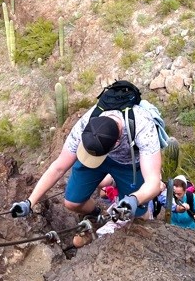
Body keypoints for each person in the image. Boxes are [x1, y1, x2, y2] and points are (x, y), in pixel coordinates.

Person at [10, 92, 162, 227]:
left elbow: (153, 182)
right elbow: (58, 167)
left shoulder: (142, 127)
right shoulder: (86, 123)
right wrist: (29, 202)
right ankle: (97, 214)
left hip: (129, 164)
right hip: (99, 158)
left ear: (116, 143)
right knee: (72, 202)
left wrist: (135, 199)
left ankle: (137, 209)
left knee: (136, 216)